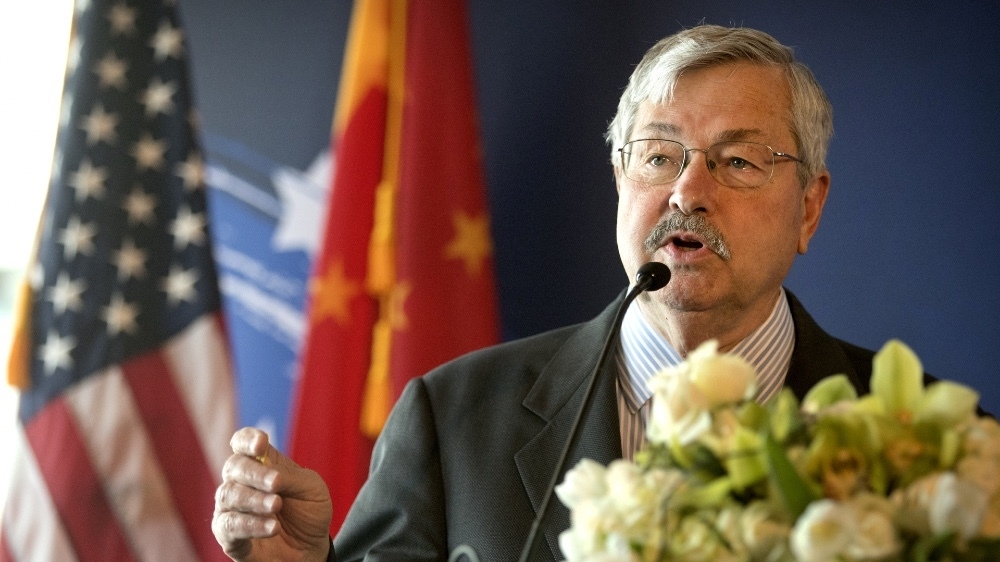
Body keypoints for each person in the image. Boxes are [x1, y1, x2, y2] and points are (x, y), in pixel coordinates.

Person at [213, 24, 875, 561]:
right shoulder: (451, 420)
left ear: (809, 208)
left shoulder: (929, 442)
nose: (687, 193)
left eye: (737, 161)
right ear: (621, 181)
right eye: (657, 155)